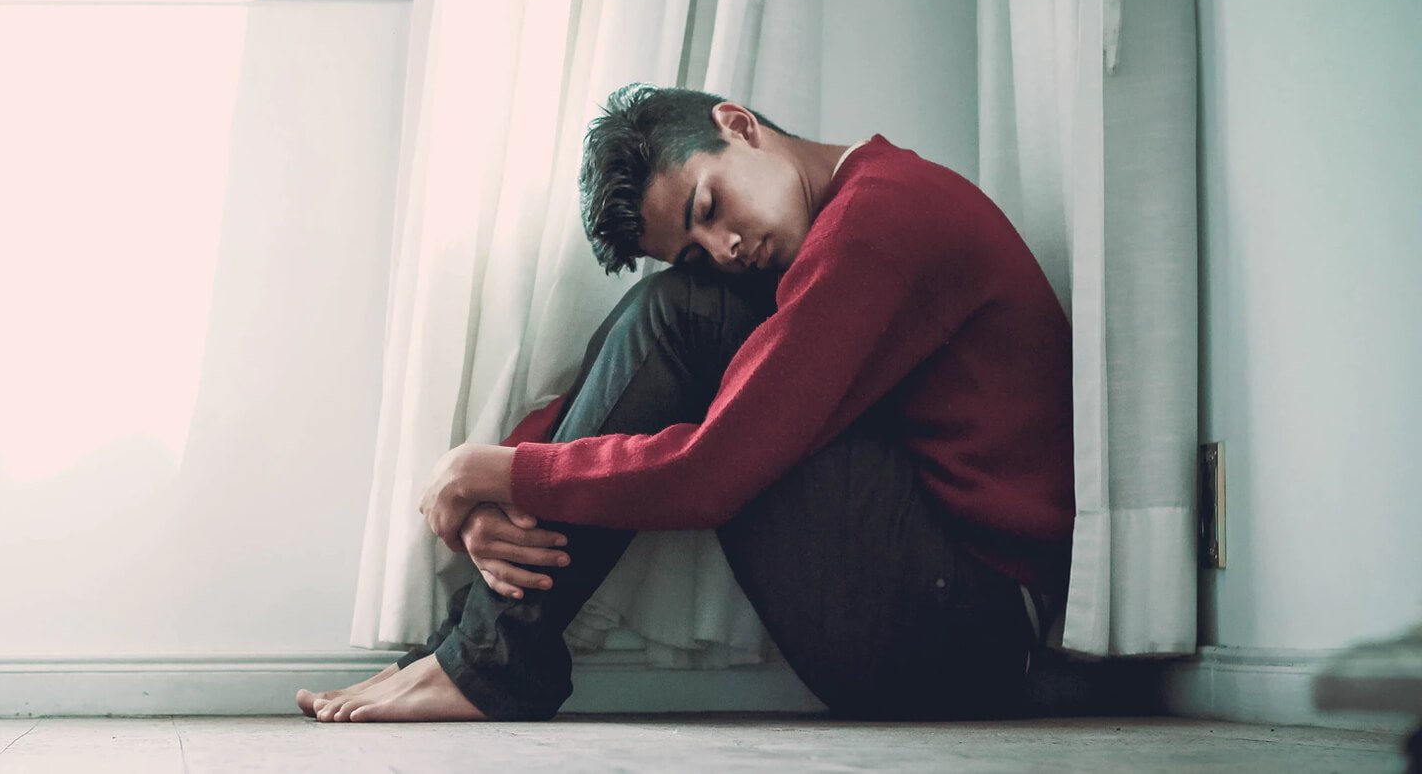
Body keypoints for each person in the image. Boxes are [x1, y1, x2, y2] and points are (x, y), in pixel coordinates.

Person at [300, 83, 1075, 723]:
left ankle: (486, 664)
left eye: (710, 206)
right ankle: (475, 652)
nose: (728, 248)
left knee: (684, 313)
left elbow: (713, 472)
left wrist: (496, 474)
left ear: (738, 126)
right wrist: (494, 482)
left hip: (969, 634)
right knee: (678, 305)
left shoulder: (881, 224)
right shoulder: (841, 226)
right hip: (934, 605)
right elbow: (631, 383)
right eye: (699, 244)